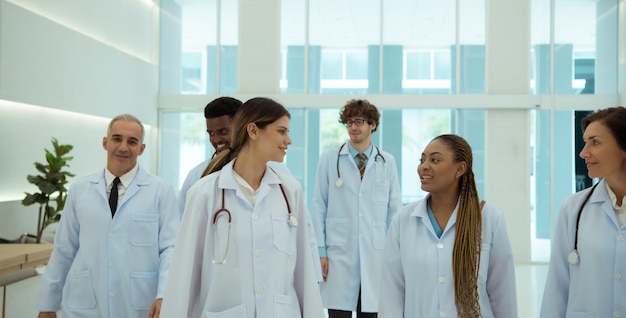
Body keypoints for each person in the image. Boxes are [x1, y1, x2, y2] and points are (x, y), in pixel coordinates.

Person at [160, 97, 324, 317]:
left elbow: (304, 268)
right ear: (253, 131)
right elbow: (184, 274)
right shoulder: (204, 192)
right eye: (282, 131)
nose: (288, 140)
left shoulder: (289, 191)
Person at [35, 114, 180, 318]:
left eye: (132, 141)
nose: (123, 147)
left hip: (139, 304)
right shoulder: (80, 189)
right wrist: (47, 305)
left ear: (142, 148)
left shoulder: (160, 191)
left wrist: (165, 294)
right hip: (84, 304)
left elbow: (170, 248)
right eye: (117, 138)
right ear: (105, 142)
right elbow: (64, 249)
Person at [379, 134, 518, 318]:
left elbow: (503, 296)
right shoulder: (403, 221)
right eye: (422, 160)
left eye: (435, 160)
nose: (423, 166)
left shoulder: (489, 219)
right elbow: (391, 296)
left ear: (460, 169)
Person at [310, 99, 402, 317]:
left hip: (376, 255)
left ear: (372, 125)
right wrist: (320, 252)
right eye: (349, 122)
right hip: (338, 254)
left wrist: (396, 255)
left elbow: (395, 212)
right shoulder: (329, 160)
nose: (353, 127)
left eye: (359, 121)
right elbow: (318, 207)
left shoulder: (386, 162)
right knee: (338, 312)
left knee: (370, 311)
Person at [540, 106, 626, 317]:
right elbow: (557, 288)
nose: (583, 153)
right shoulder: (573, 208)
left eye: (595, 142)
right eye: (585, 142)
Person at [178, 96, 242, 215]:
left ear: (242, 128)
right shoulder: (196, 176)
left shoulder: (273, 171)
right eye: (211, 133)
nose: (216, 139)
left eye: (223, 131)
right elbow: (182, 221)